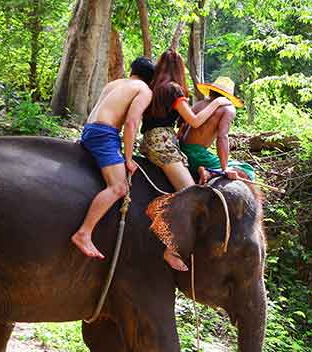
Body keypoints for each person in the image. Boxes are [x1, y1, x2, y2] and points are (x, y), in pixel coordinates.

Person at [140, 49, 231, 271]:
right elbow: (196, 121)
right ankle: (171, 250)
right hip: (162, 143)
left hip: (153, 140)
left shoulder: (153, 88)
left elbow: (181, 123)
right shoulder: (173, 89)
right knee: (191, 193)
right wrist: (218, 104)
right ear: (178, 69)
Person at [71, 57, 155, 259]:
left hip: (89, 130)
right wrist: (128, 158)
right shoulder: (144, 90)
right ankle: (84, 233)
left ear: (132, 70)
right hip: (104, 134)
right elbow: (131, 122)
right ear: (151, 79)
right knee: (119, 187)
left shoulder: (114, 83)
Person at [179, 77, 256, 185]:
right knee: (247, 169)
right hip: (198, 156)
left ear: (211, 90)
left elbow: (183, 127)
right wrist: (225, 168)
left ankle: (208, 171)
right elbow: (222, 137)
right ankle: (211, 173)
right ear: (228, 96)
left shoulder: (199, 104)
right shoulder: (228, 109)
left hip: (182, 150)